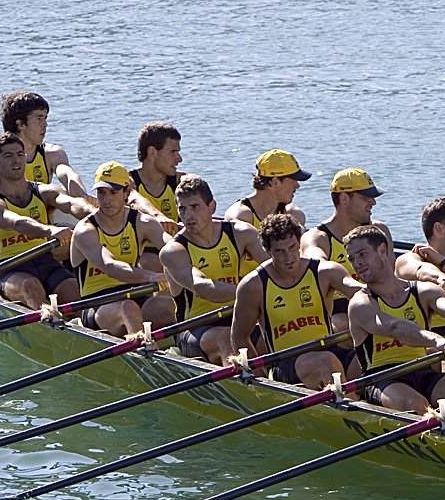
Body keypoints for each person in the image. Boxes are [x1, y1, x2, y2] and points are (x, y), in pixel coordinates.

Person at [230, 214, 362, 389]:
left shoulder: (324, 271)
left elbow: (360, 291)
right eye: (279, 251)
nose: (289, 257)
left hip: (328, 350)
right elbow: (239, 336)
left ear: (300, 242)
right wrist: (261, 381)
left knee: (368, 359)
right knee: (326, 362)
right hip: (285, 363)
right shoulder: (253, 285)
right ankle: (351, 410)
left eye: (292, 247)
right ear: (267, 251)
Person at [344, 225, 445, 413]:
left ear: (383, 250)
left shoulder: (423, 292)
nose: (357, 263)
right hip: (382, 380)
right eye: (352, 258)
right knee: (415, 405)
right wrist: (437, 339)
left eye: (362, 254)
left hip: (423, 372)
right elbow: (395, 328)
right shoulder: (361, 303)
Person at [0, 132, 94, 309]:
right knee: (29, 286)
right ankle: (48, 324)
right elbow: (17, 222)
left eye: (19, 155)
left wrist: (95, 212)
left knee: (73, 289)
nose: (16, 160)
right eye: (8, 156)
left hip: (47, 262)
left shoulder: (44, 191)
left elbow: (71, 204)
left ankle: (82, 328)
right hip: (10, 269)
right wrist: (50, 230)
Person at [160, 175, 268, 363]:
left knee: (273, 334)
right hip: (194, 328)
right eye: (182, 209)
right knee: (227, 338)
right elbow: (203, 288)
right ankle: (249, 389)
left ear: (212, 207)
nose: (188, 216)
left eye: (195, 207)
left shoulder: (241, 233)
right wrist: (248, 295)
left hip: (237, 317)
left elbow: (274, 268)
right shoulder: (173, 251)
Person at [69, 162, 173, 337]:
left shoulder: (142, 222)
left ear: (126, 193)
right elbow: (109, 266)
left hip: (136, 295)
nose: (106, 200)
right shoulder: (85, 230)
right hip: (97, 305)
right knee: (128, 308)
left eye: (113, 192)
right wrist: (150, 276)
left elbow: (172, 248)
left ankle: (185, 349)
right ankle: (145, 353)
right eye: (101, 193)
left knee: (170, 305)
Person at [301, 168, 392, 331]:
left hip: (381, 301)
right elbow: (319, 268)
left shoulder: (379, 231)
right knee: (343, 323)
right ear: (344, 198)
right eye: (366, 197)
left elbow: (392, 274)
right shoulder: (316, 238)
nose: (373, 202)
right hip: (338, 308)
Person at [395, 196, 445, 339]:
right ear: (439, 229)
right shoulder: (409, 259)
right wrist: (442, 278)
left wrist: (443, 262)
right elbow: (420, 270)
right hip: (427, 342)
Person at [0, 91, 86, 196]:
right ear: (20, 124)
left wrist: (82, 196)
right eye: (39, 119)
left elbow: (67, 174)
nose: (45, 124)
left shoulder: (52, 154)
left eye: (45, 118)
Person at [224, 149, 309, 228]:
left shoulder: (294, 215)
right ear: (275, 182)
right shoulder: (241, 216)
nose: (298, 186)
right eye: (294, 180)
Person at [130, 122, 183, 223]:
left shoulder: (180, 182)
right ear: (152, 152)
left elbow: (193, 182)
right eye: (173, 152)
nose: (179, 159)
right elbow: (133, 199)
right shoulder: (129, 182)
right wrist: (157, 216)